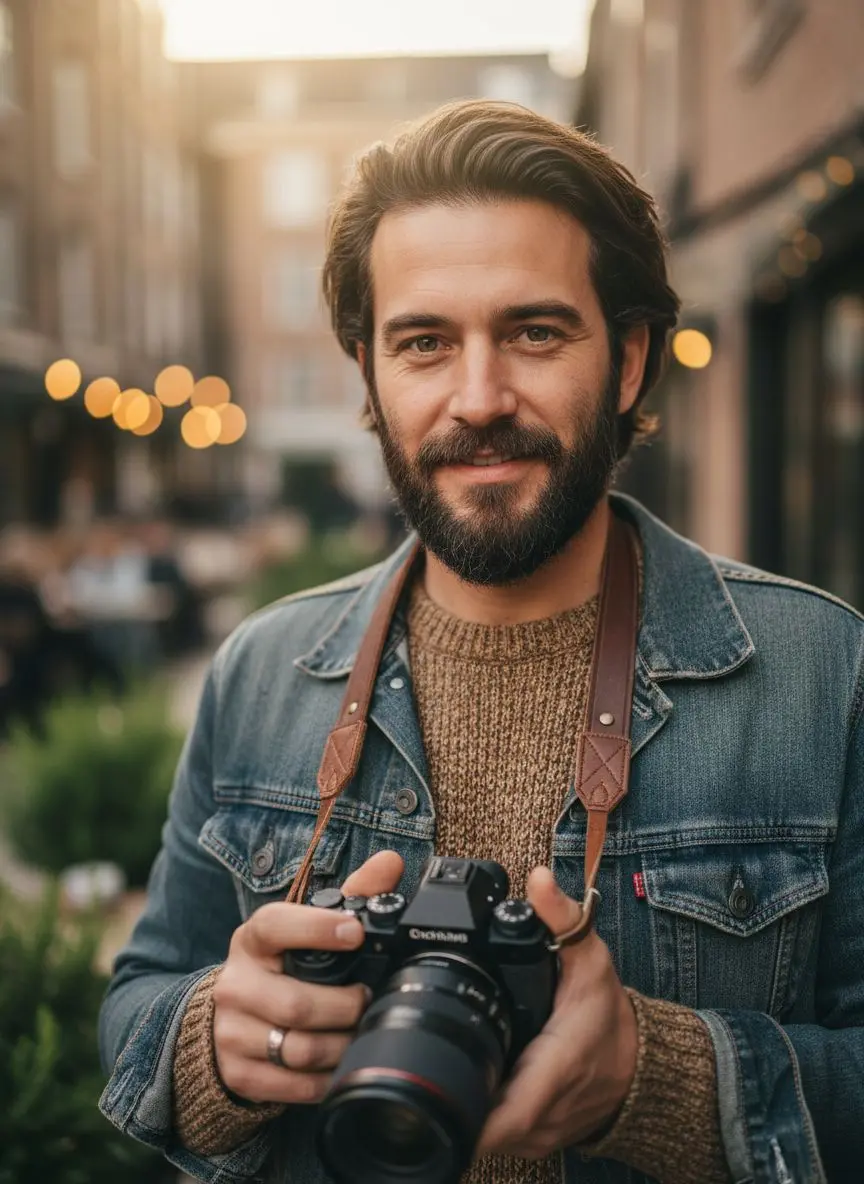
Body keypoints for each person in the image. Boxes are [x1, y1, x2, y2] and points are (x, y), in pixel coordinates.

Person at [98, 100, 863, 1184]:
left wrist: (659, 1074)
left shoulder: (824, 676)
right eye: (423, 343)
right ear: (368, 374)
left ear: (632, 358)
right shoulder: (258, 673)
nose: (478, 397)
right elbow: (136, 995)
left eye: (534, 331)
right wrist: (210, 1038)